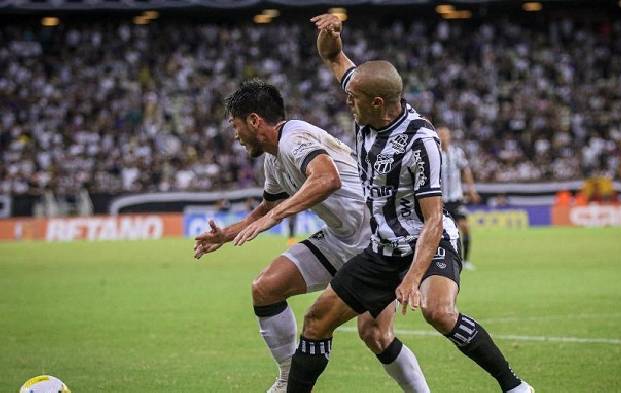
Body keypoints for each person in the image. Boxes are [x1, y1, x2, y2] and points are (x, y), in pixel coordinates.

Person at [282, 14, 534, 393]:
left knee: (439, 311)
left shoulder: (421, 142)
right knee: (317, 321)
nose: (348, 103)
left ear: (378, 102)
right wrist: (330, 33)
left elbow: (433, 219)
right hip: (383, 250)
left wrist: (413, 279)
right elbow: (334, 58)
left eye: (355, 100)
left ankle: (514, 387)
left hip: (428, 243)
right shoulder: (366, 94)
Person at [194, 79, 430, 392]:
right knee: (265, 288)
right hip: (341, 238)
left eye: (234, 125)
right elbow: (268, 207)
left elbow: (327, 178)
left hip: (378, 240)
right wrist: (225, 235)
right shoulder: (274, 158)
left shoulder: (295, 137)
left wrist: (277, 216)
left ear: (254, 120)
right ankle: (288, 377)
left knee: (375, 334)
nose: (235, 135)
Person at [438, 126, 481, 270]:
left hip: (456, 198)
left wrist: (471, 190)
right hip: (440, 200)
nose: (443, 137)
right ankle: (440, 259)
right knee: (437, 232)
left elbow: (466, 171)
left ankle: (466, 260)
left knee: (465, 227)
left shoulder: (457, 153)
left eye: (445, 135)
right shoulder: (434, 153)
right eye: (441, 135)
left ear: (449, 137)